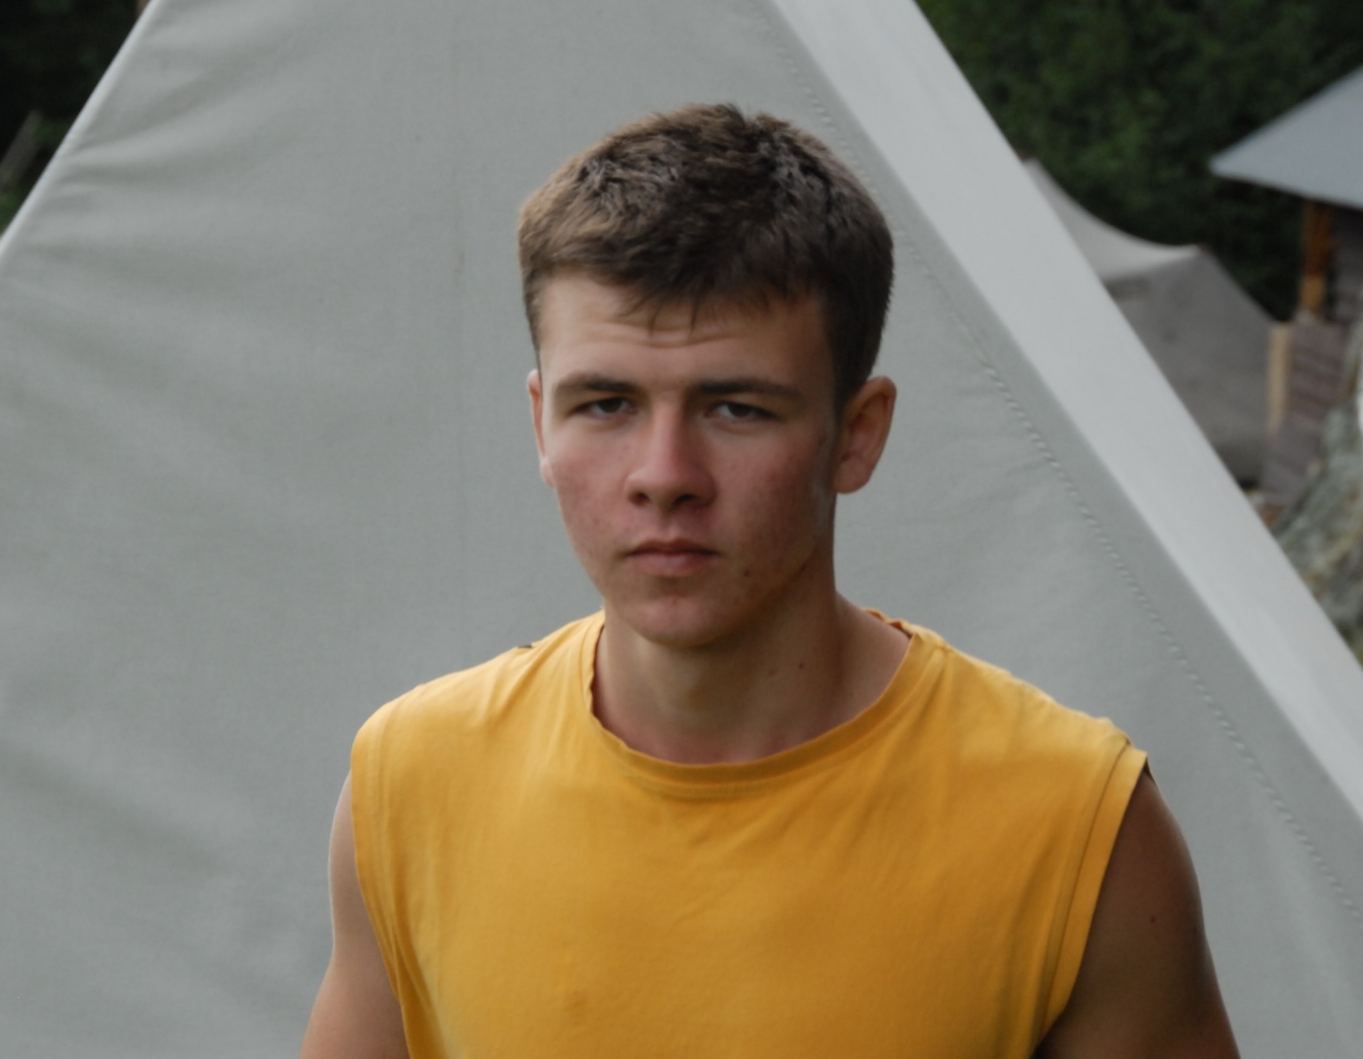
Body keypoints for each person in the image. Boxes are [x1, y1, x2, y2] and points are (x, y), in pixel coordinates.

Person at [300, 105, 1239, 1059]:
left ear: (857, 435)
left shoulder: (1077, 830)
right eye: (608, 404)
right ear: (542, 423)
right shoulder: (409, 788)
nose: (664, 475)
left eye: (737, 409)